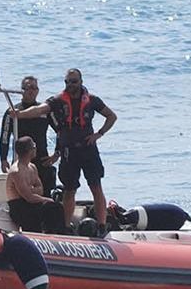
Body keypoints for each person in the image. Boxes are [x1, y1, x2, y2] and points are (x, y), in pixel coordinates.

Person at [17, 67, 118, 232]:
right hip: (69, 152)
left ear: (81, 82)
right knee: (69, 190)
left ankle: (101, 225)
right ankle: (65, 226)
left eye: (74, 82)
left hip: (88, 149)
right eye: (67, 82)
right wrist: (20, 114)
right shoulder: (58, 100)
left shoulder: (92, 100)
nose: (70, 85)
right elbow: (40, 109)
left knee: (96, 186)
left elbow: (111, 116)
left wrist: (99, 134)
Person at [1, 75, 59, 192]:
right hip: (20, 159)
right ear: (21, 91)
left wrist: (57, 153)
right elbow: (4, 137)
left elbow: (61, 131)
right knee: (21, 193)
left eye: (34, 88)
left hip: (42, 158)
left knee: (44, 192)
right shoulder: (12, 112)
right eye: (27, 88)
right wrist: (3, 158)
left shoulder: (45, 110)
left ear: (38, 90)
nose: (31, 91)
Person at [5, 135, 66, 233]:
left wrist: (31, 190)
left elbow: (40, 189)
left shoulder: (32, 167)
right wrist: (47, 199)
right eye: (34, 146)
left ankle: (56, 235)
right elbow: (28, 197)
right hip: (19, 207)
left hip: (30, 203)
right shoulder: (16, 171)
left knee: (55, 208)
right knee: (53, 207)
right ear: (30, 150)